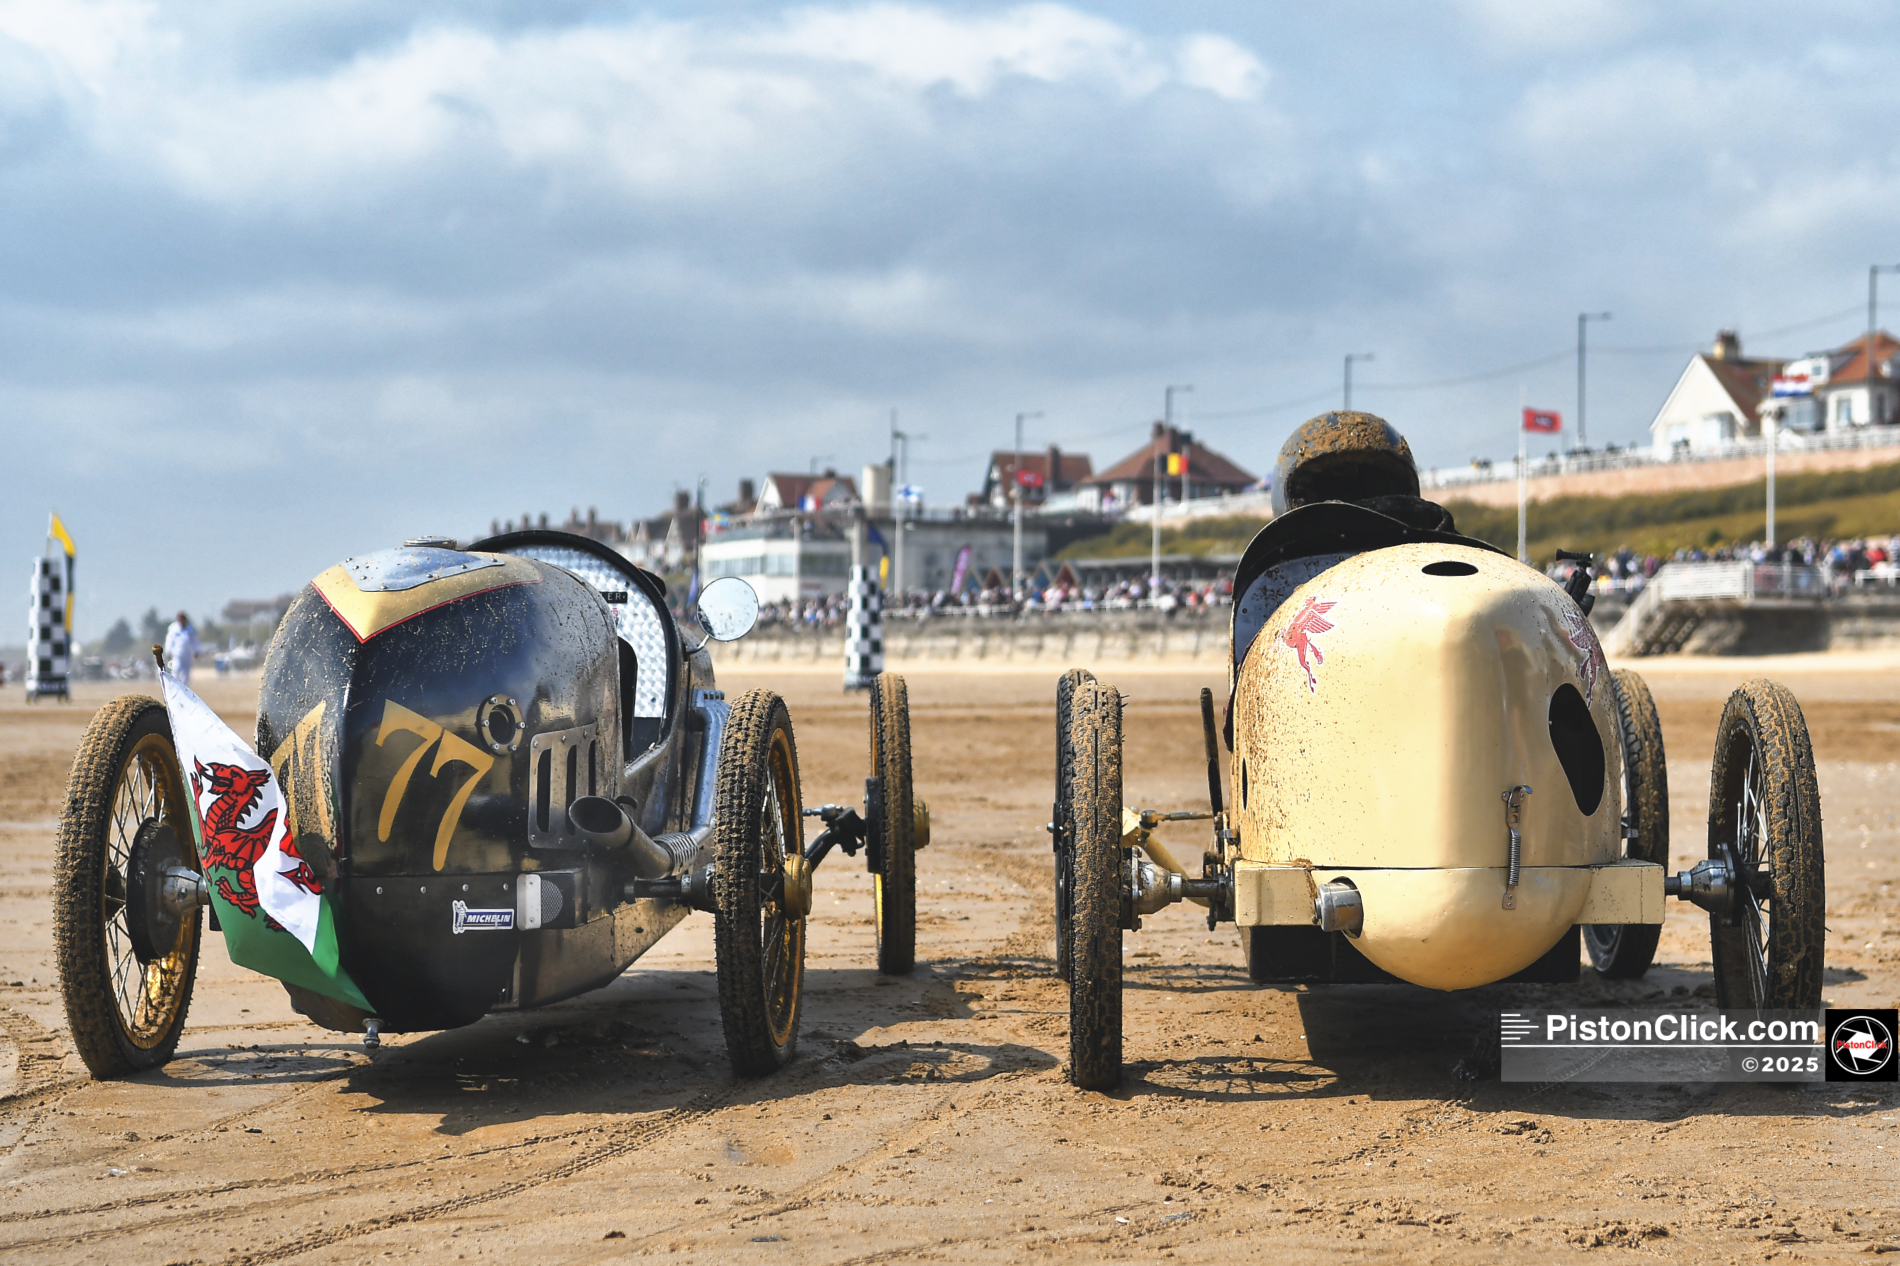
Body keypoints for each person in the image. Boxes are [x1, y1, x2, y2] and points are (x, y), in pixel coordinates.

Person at [163, 611, 201, 684]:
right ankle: (174, 685)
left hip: (188, 653)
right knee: (176, 669)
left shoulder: (190, 628)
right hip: (177, 653)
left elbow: (194, 640)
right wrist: (168, 651)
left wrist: (197, 650)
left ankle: (184, 687)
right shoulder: (173, 628)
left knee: (185, 673)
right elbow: (169, 640)